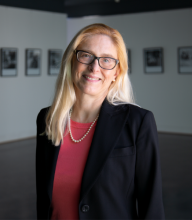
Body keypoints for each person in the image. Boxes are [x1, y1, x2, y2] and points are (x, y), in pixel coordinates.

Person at [36, 23, 165, 220]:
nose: (94, 67)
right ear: (72, 60)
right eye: (86, 55)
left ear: (116, 72)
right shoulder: (48, 118)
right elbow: (43, 200)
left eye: (106, 60)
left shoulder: (138, 122)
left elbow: (152, 206)